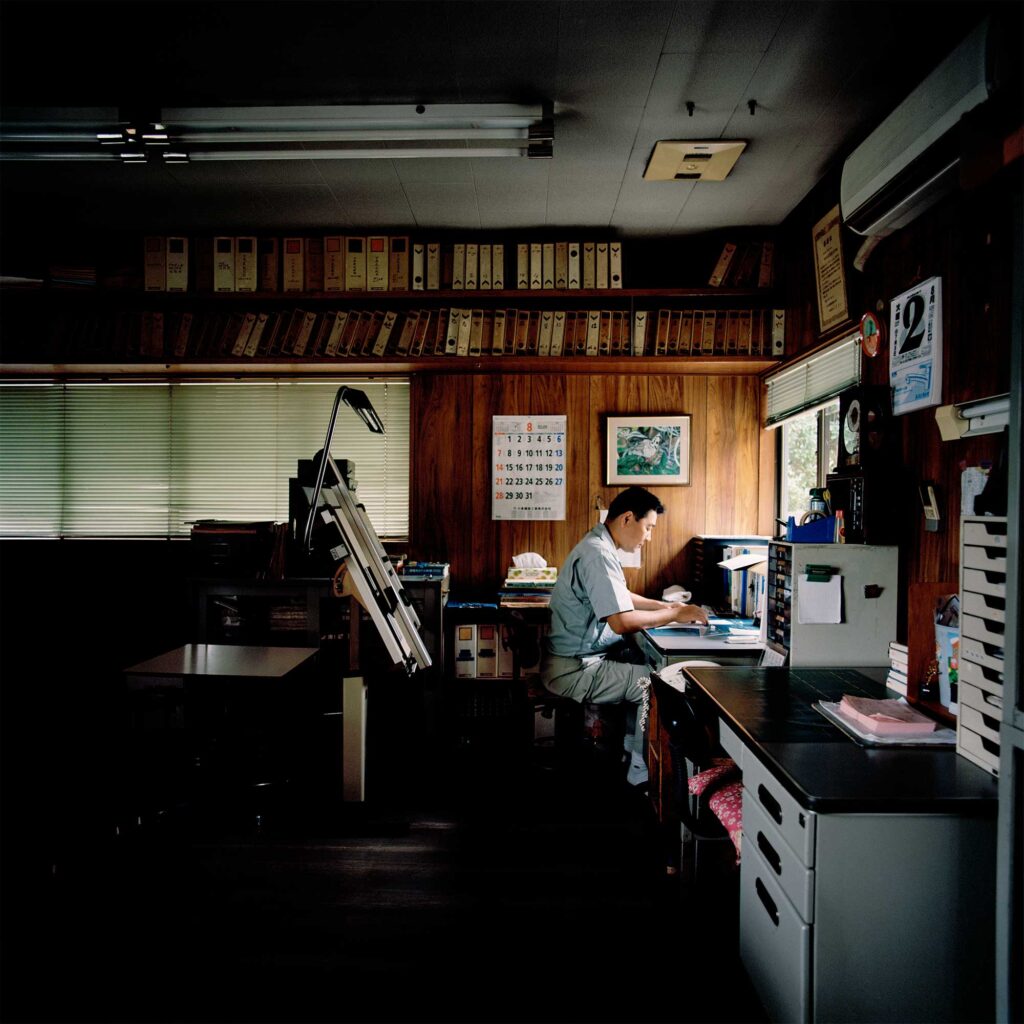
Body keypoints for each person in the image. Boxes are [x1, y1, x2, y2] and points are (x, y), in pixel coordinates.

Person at [540, 485, 708, 785]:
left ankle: (632, 753)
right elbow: (620, 621)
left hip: (573, 660)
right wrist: (673, 614)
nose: (649, 537)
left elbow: (619, 595)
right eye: (648, 527)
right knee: (653, 685)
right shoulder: (597, 555)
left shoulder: (598, 545)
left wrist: (665, 605)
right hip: (573, 670)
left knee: (640, 667)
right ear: (627, 518)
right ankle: (641, 769)